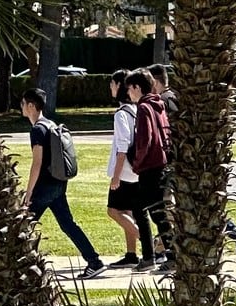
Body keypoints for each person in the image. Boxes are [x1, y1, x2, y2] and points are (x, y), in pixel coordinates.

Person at [148, 63, 236, 255]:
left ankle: (232, 231)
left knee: (171, 205)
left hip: (174, 161)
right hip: (179, 160)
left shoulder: (164, 101)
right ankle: (162, 245)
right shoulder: (171, 97)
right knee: (174, 204)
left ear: (155, 82)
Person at [19, 87, 105, 278]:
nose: (22, 107)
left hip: (44, 187)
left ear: (31, 106)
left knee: (23, 226)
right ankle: (94, 261)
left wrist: (29, 191)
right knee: (68, 224)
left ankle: (21, 268)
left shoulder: (37, 130)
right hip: (58, 183)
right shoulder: (50, 124)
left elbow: (37, 163)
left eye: (23, 104)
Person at [103, 69, 145, 267]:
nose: (110, 88)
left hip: (125, 171)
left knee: (113, 211)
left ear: (119, 86)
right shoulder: (136, 109)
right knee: (127, 211)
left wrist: (116, 176)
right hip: (136, 170)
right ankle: (131, 254)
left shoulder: (121, 114)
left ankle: (148, 242)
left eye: (112, 84)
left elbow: (122, 147)